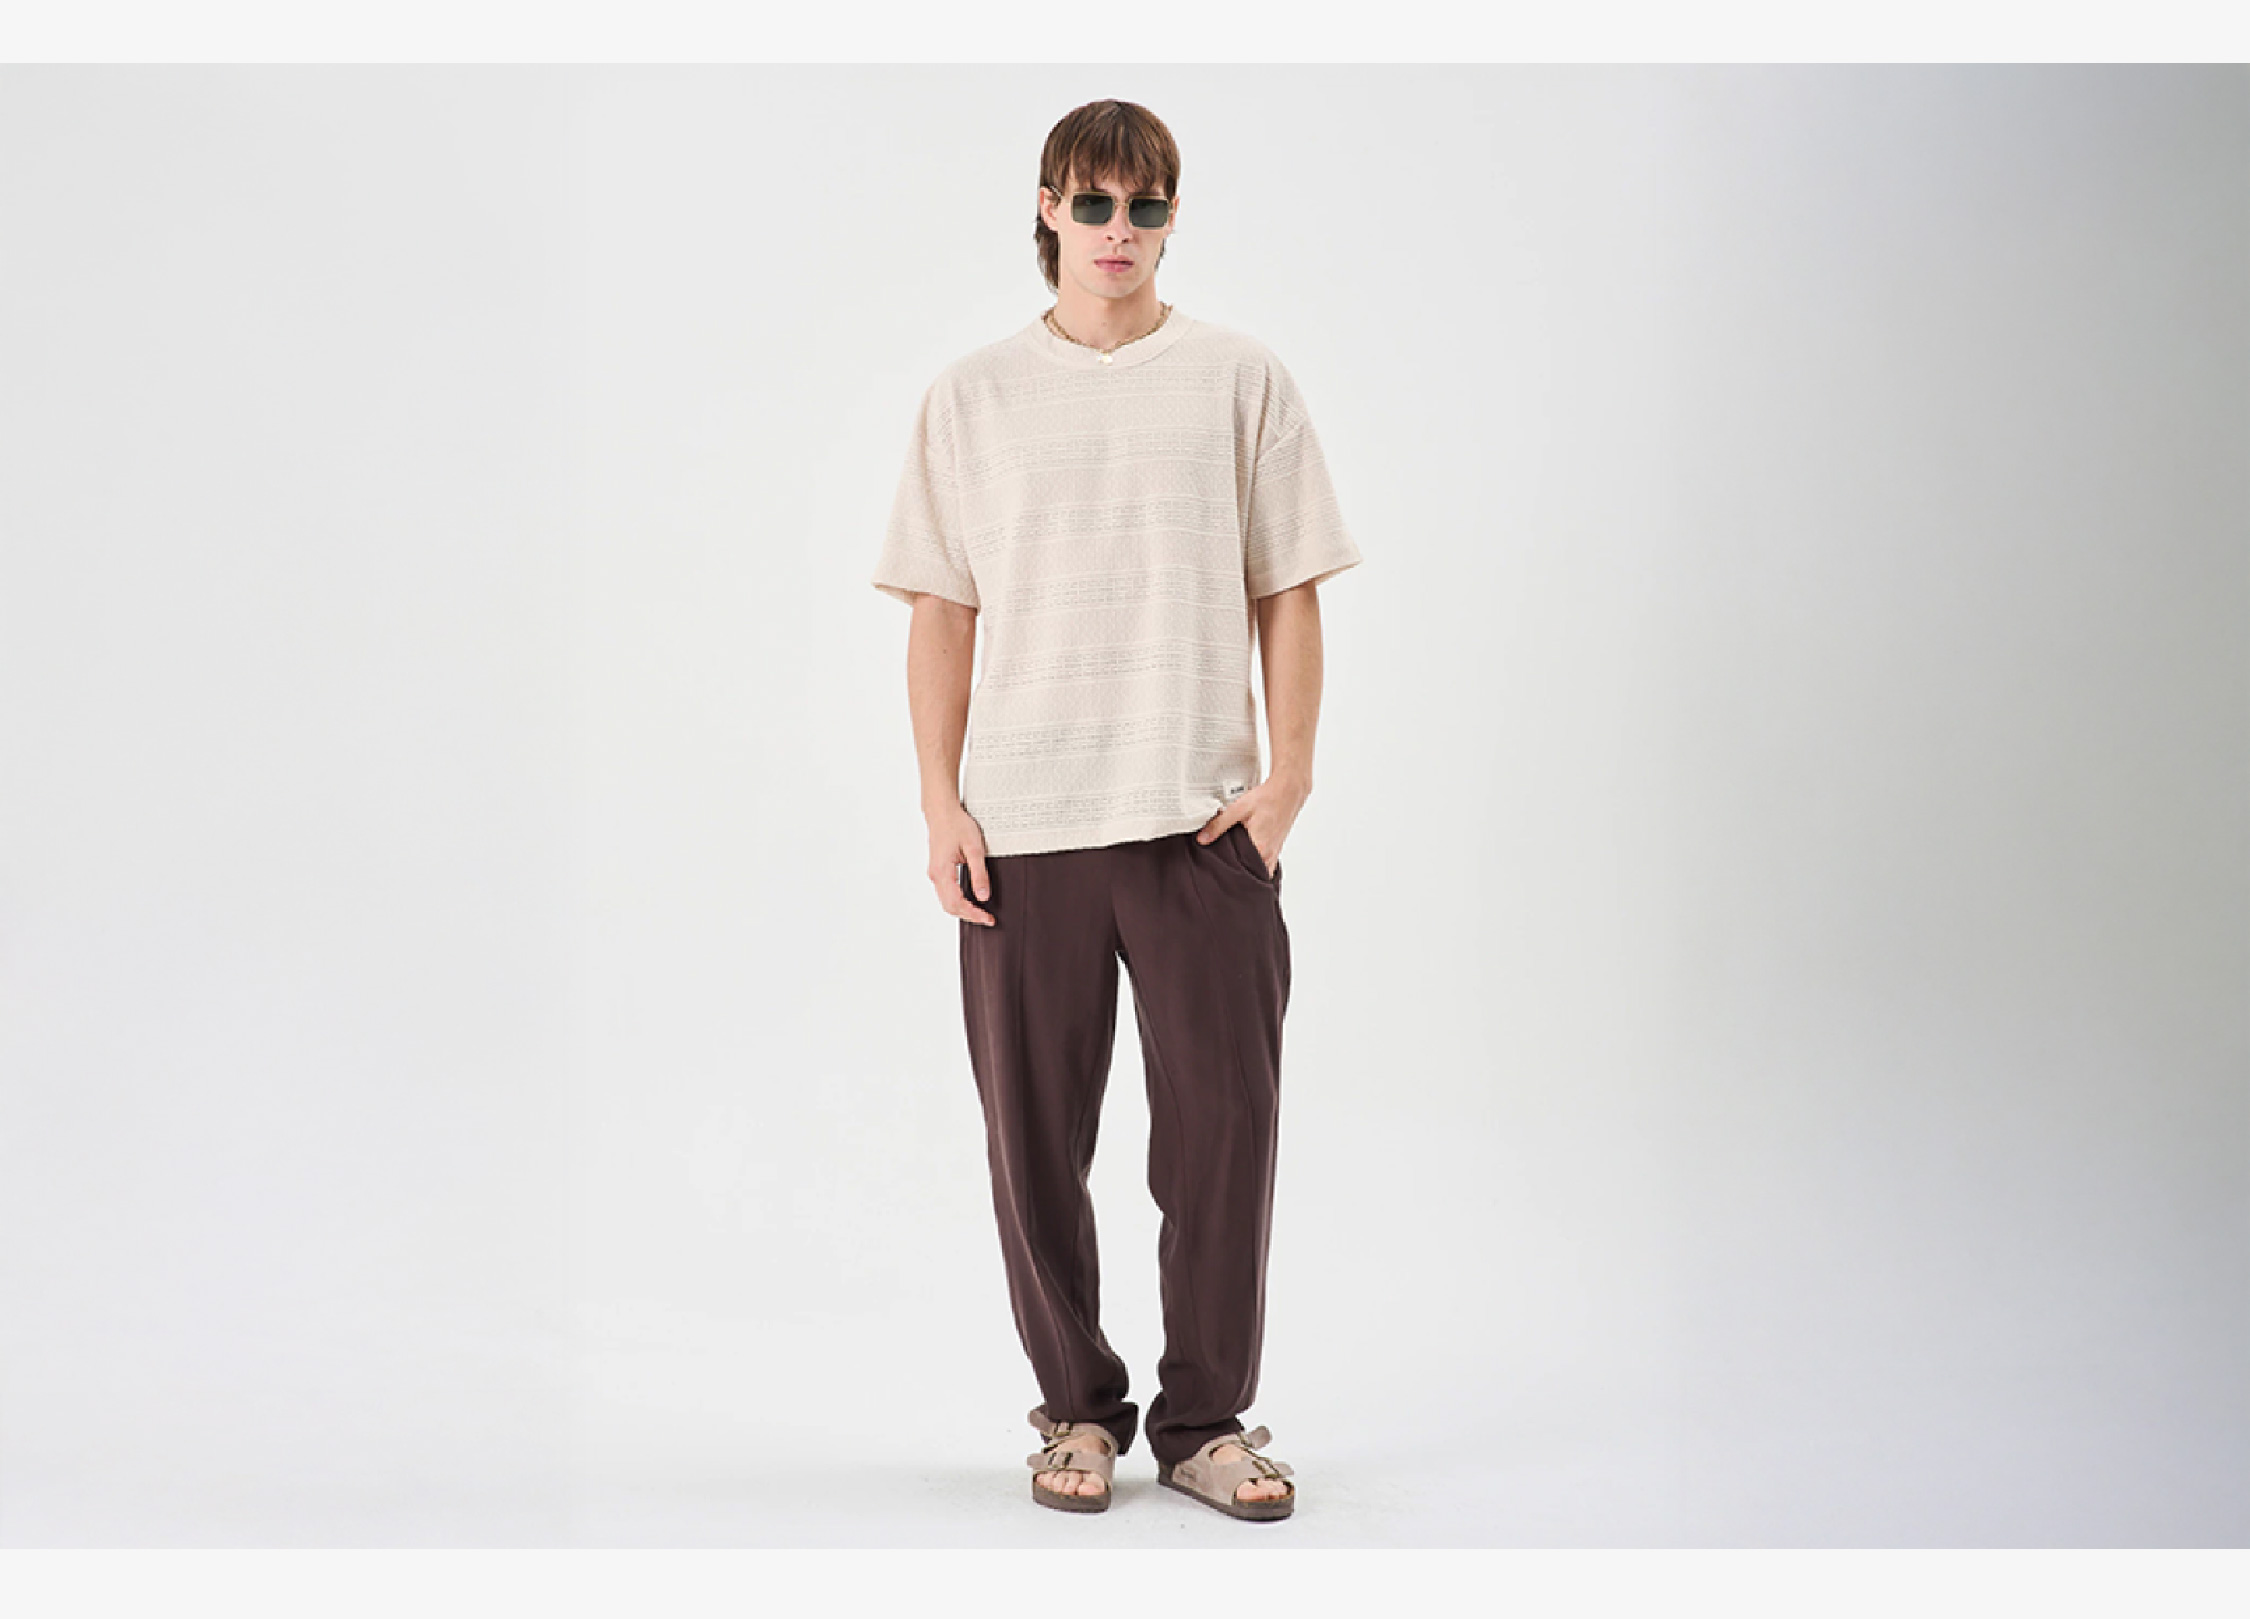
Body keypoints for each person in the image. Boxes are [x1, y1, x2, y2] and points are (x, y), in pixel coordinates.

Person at [870, 99, 1361, 1522]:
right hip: (1024, 829)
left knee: (1223, 1136)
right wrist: (939, 803)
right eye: (1093, 205)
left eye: (1145, 208)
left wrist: (1287, 783)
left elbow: (1289, 588)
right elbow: (941, 612)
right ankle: (1076, 1412)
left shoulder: (1239, 380)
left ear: (1170, 218)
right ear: (1047, 209)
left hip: (1199, 827)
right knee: (1033, 1142)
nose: (1119, 232)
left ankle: (1205, 1423)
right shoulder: (971, 398)